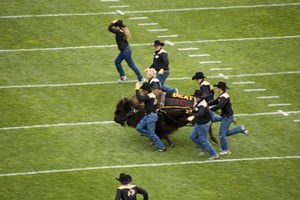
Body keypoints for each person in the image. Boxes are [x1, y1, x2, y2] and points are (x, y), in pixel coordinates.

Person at [208, 81, 249, 155]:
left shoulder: (224, 97)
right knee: (224, 133)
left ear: (220, 88)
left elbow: (219, 106)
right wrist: (206, 104)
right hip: (226, 116)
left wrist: (210, 109)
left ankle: (226, 150)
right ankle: (240, 129)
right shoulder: (222, 95)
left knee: (222, 134)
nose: (217, 89)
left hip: (227, 117)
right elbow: (215, 102)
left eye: (218, 88)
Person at [135, 82, 166, 152]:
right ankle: (154, 138)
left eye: (143, 90)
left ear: (146, 90)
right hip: (148, 115)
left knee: (151, 134)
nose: (142, 91)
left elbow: (139, 98)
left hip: (151, 117)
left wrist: (136, 89)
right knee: (139, 128)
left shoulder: (150, 96)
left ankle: (161, 147)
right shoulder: (151, 95)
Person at [188, 90, 219, 160]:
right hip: (198, 123)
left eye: (195, 97)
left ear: (198, 97)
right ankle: (205, 148)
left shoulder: (202, 105)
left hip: (203, 125)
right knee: (192, 136)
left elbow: (200, 113)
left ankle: (214, 154)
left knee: (204, 140)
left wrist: (193, 116)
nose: (194, 98)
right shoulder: (199, 102)